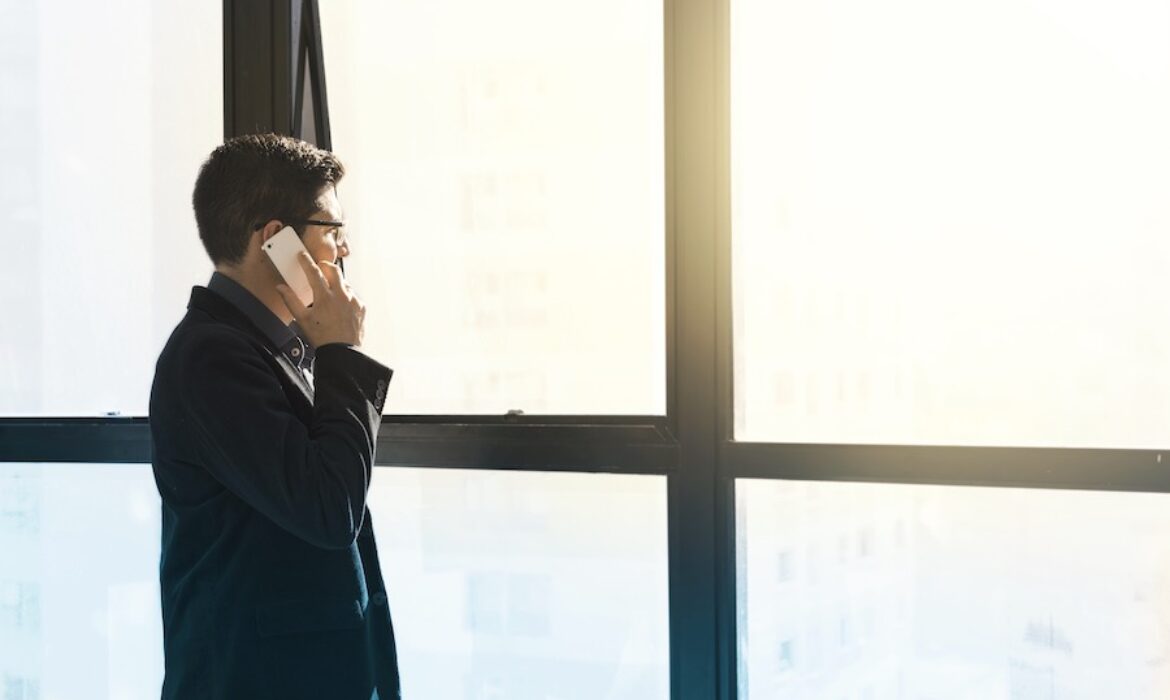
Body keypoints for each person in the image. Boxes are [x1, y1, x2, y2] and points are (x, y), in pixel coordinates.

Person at [148, 133, 401, 699]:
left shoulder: (270, 350)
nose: (344, 250)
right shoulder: (209, 358)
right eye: (332, 230)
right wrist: (342, 354)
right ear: (275, 241)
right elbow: (329, 509)